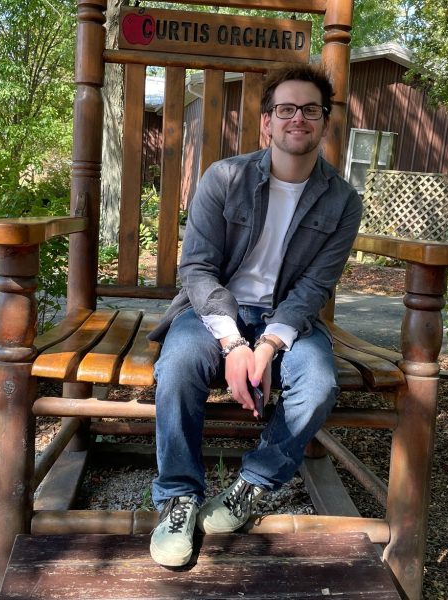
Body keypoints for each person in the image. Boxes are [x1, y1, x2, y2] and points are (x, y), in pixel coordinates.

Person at [146, 64, 363, 568]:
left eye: (310, 110)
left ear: (324, 122)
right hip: (212, 312)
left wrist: (267, 345)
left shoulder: (343, 201)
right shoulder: (225, 178)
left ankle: (251, 485)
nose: (298, 119)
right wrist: (235, 345)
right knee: (176, 366)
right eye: (285, 109)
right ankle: (178, 496)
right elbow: (197, 269)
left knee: (318, 382)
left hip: (288, 320)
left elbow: (314, 287)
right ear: (267, 121)